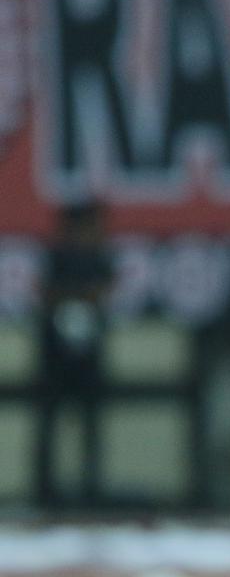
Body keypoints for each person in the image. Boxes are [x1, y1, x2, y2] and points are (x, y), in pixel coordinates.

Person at [37, 201, 114, 507]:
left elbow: (107, 287)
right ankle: (46, 491)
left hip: (89, 354)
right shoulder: (55, 256)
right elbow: (45, 293)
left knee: (90, 423)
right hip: (55, 355)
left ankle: (91, 488)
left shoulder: (99, 257)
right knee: (51, 422)